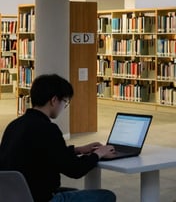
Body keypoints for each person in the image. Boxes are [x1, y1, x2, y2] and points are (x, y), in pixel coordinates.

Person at [0, 74, 116, 202]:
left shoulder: (14, 125)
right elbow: (75, 170)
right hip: (41, 198)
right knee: (106, 196)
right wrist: (99, 153)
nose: (64, 108)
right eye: (65, 102)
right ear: (54, 100)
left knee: (75, 193)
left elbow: (45, 153)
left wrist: (77, 150)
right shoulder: (48, 129)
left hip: (14, 196)